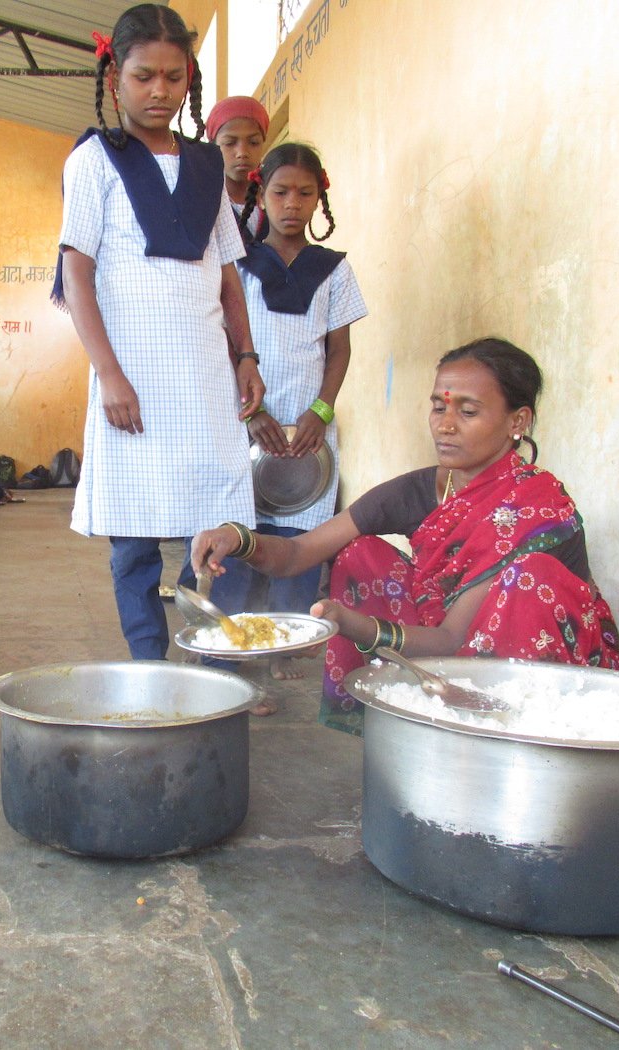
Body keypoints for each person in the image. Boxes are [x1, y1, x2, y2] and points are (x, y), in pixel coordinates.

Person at [191, 338, 619, 733]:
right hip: (451, 652)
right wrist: (236, 537)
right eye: (439, 407)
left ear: (519, 421)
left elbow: (453, 639)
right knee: (360, 553)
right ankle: (405, 723)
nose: (445, 425)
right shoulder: (425, 488)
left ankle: (493, 730)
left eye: (468, 411)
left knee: (528, 578)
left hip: (539, 680)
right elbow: (297, 553)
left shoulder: (532, 507)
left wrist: (349, 623)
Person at [55, 3, 269, 660]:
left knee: (213, 519)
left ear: (188, 79)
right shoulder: (94, 161)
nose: (160, 92)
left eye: (174, 79)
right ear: (115, 74)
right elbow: (78, 274)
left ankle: (207, 649)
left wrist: (247, 356)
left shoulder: (208, 166)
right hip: (134, 381)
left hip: (203, 378)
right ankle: (149, 663)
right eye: (144, 76)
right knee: (134, 538)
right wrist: (110, 374)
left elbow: (228, 276)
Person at [230, 143, 367, 690]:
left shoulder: (333, 270)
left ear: (320, 199)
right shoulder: (237, 264)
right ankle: (236, 653)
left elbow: (339, 350)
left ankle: (280, 648)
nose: (293, 204)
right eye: (281, 192)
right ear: (261, 193)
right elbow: (225, 343)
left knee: (298, 539)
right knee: (244, 537)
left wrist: (322, 409)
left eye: (305, 194)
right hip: (246, 419)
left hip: (310, 427)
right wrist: (251, 411)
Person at [206, 95, 269, 237]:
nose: (242, 153)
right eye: (229, 143)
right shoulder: (203, 205)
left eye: (253, 142)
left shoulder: (275, 201)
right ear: (213, 146)